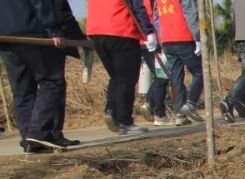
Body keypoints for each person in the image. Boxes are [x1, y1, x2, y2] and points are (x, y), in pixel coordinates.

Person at [0, 0, 79, 151]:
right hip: (32, 32)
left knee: (22, 90)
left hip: (5, 36)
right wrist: (54, 29)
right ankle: (38, 133)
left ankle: (30, 141)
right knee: (52, 81)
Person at [87, 0, 156, 135]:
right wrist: (148, 31)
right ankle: (125, 121)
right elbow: (136, 5)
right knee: (126, 79)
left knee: (116, 77)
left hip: (97, 31)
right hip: (121, 29)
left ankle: (111, 111)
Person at [153, 0, 203, 125]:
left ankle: (180, 114)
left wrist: (161, 39)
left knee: (176, 79)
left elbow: (156, 19)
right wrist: (198, 37)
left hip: (167, 41)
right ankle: (190, 104)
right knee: (199, 72)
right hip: (184, 38)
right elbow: (191, 13)